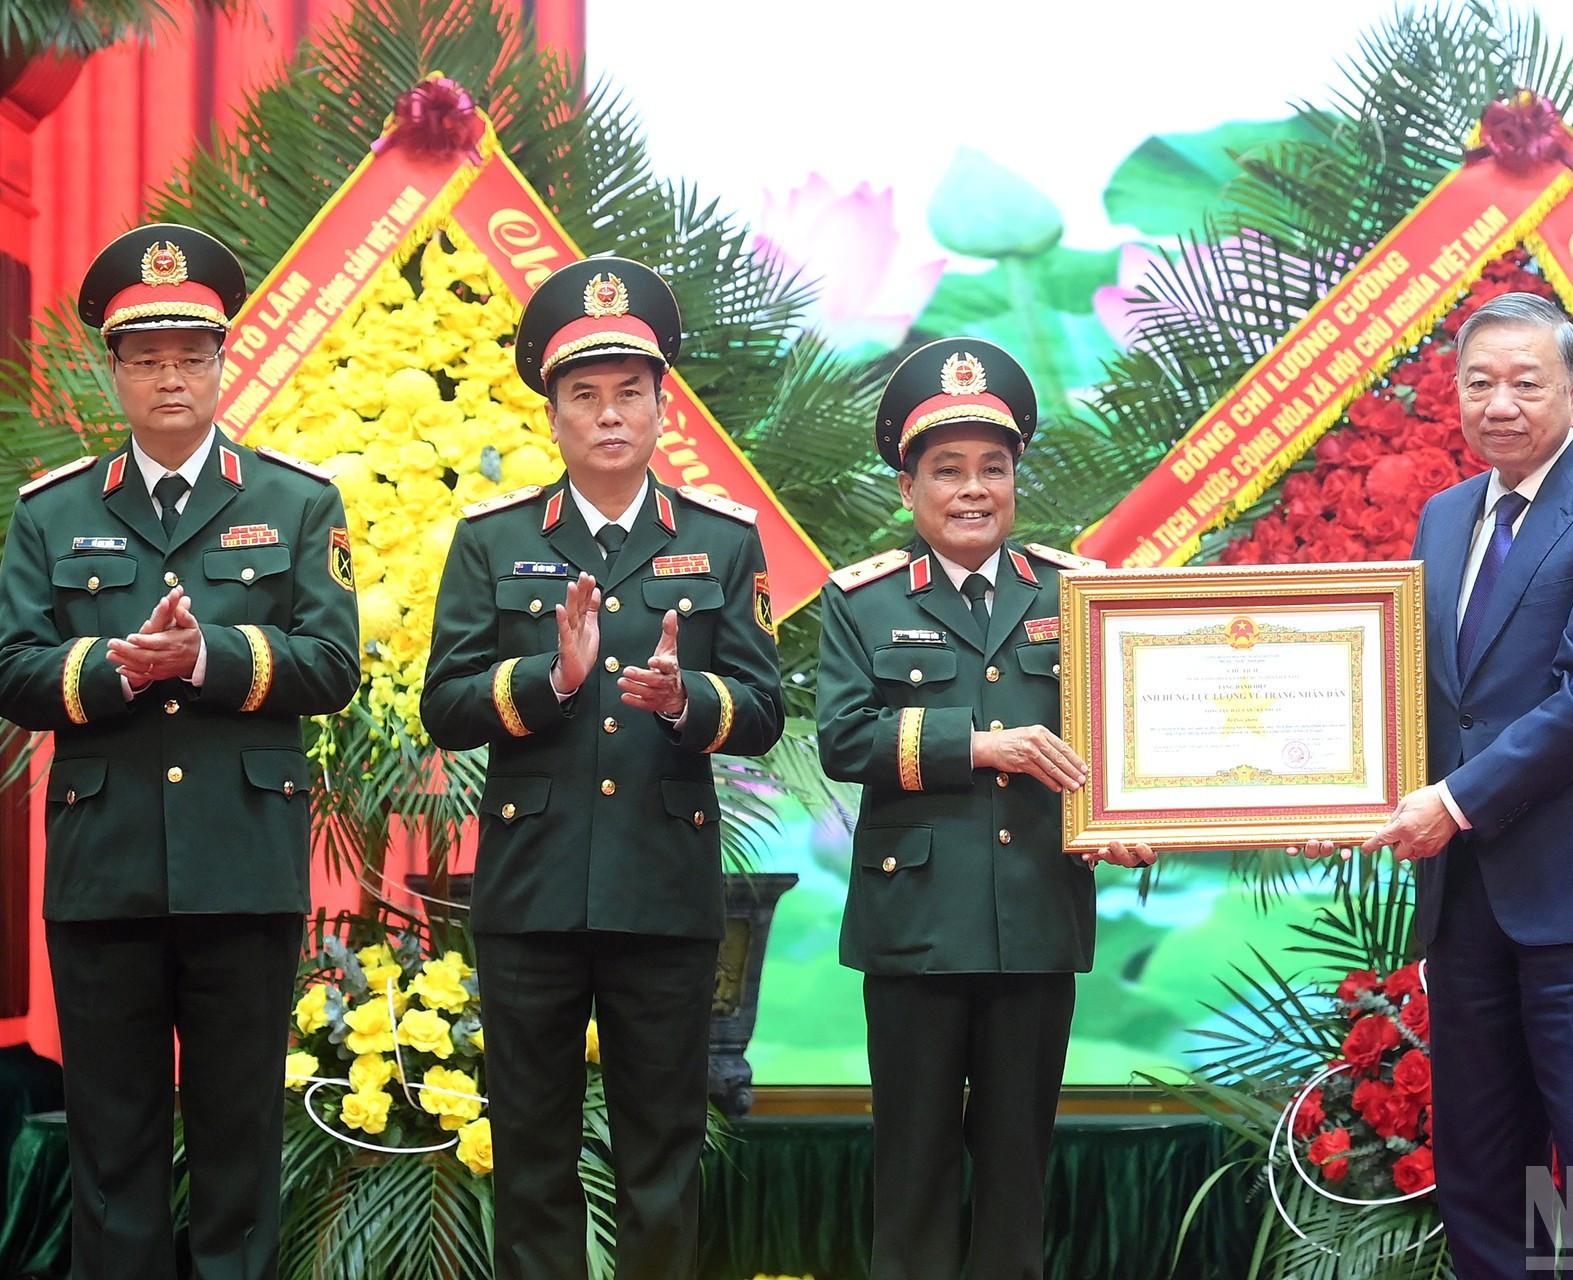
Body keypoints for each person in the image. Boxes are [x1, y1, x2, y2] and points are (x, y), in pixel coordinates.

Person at [0, 223, 361, 1279]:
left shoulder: (296, 501)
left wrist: (209, 658)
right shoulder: (53, 510)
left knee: (238, 1141)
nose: (170, 377)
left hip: (242, 865)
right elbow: (13, 665)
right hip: (102, 868)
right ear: (112, 370)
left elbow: (334, 663)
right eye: (146, 357)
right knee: (113, 1149)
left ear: (221, 360)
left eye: (190, 354)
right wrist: (116, 667)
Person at [1307, 291, 1573, 1275]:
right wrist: (1337, 797)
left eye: (1527, 382)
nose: (1501, 402)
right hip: (1467, 893)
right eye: (1480, 382)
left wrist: (1455, 800)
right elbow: (1429, 695)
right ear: (1455, 393)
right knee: (1479, 1165)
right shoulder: (1443, 515)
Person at [421, 255, 783, 1279]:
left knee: (660, 1151)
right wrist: (551, 678)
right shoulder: (493, 542)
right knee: (532, 1151)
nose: (610, 413)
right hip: (532, 889)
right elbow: (445, 707)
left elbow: (761, 709)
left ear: (664, 406)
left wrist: (686, 700)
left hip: (662, 890)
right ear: (553, 413)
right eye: (585, 393)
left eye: (631, 392)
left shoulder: (720, 541)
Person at [817, 338, 1153, 1280]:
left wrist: (1128, 822)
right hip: (917, 925)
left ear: (1016, 481)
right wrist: (979, 745)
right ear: (907, 487)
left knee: (1017, 1176)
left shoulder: (1079, 592)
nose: (974, 490)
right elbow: (844, 740)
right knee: (913, 1175)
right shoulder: (864, 602)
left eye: (993, 470)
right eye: (948, 470)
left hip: (1037, 915)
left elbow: (1121, 748)